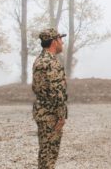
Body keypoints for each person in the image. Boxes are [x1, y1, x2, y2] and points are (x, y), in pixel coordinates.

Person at [32, 28, 68, 169]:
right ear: (54, 41)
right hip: (50, 115)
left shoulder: (40, 60)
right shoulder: (50, 62)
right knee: (49, 156)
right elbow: (56, 91)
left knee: (45, 154)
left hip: (44, 112)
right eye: (60, 39)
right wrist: (61, 116)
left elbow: (37, 87)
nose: (62, 42)